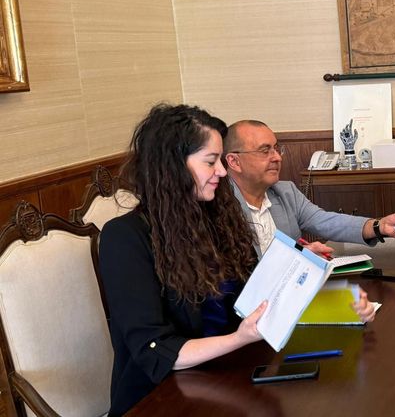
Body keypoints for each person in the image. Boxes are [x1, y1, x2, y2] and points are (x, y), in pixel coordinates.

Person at [99, 105, 375, 415]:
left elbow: (258, 298)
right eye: (210, 162)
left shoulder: (217, 218)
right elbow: (156, 352)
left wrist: (342, 307)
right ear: (172, 166)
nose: (220, 171)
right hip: (160, 397)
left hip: (229, 376)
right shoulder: (124, 238)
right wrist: (239, 338)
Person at [223, 119, 395, 256]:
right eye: (265, 151)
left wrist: (379, 226)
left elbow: (326, 221)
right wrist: (297, 256)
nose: (277, 157)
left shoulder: (284, 192)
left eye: (276, 149)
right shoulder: (218, 206)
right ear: (234, 161)